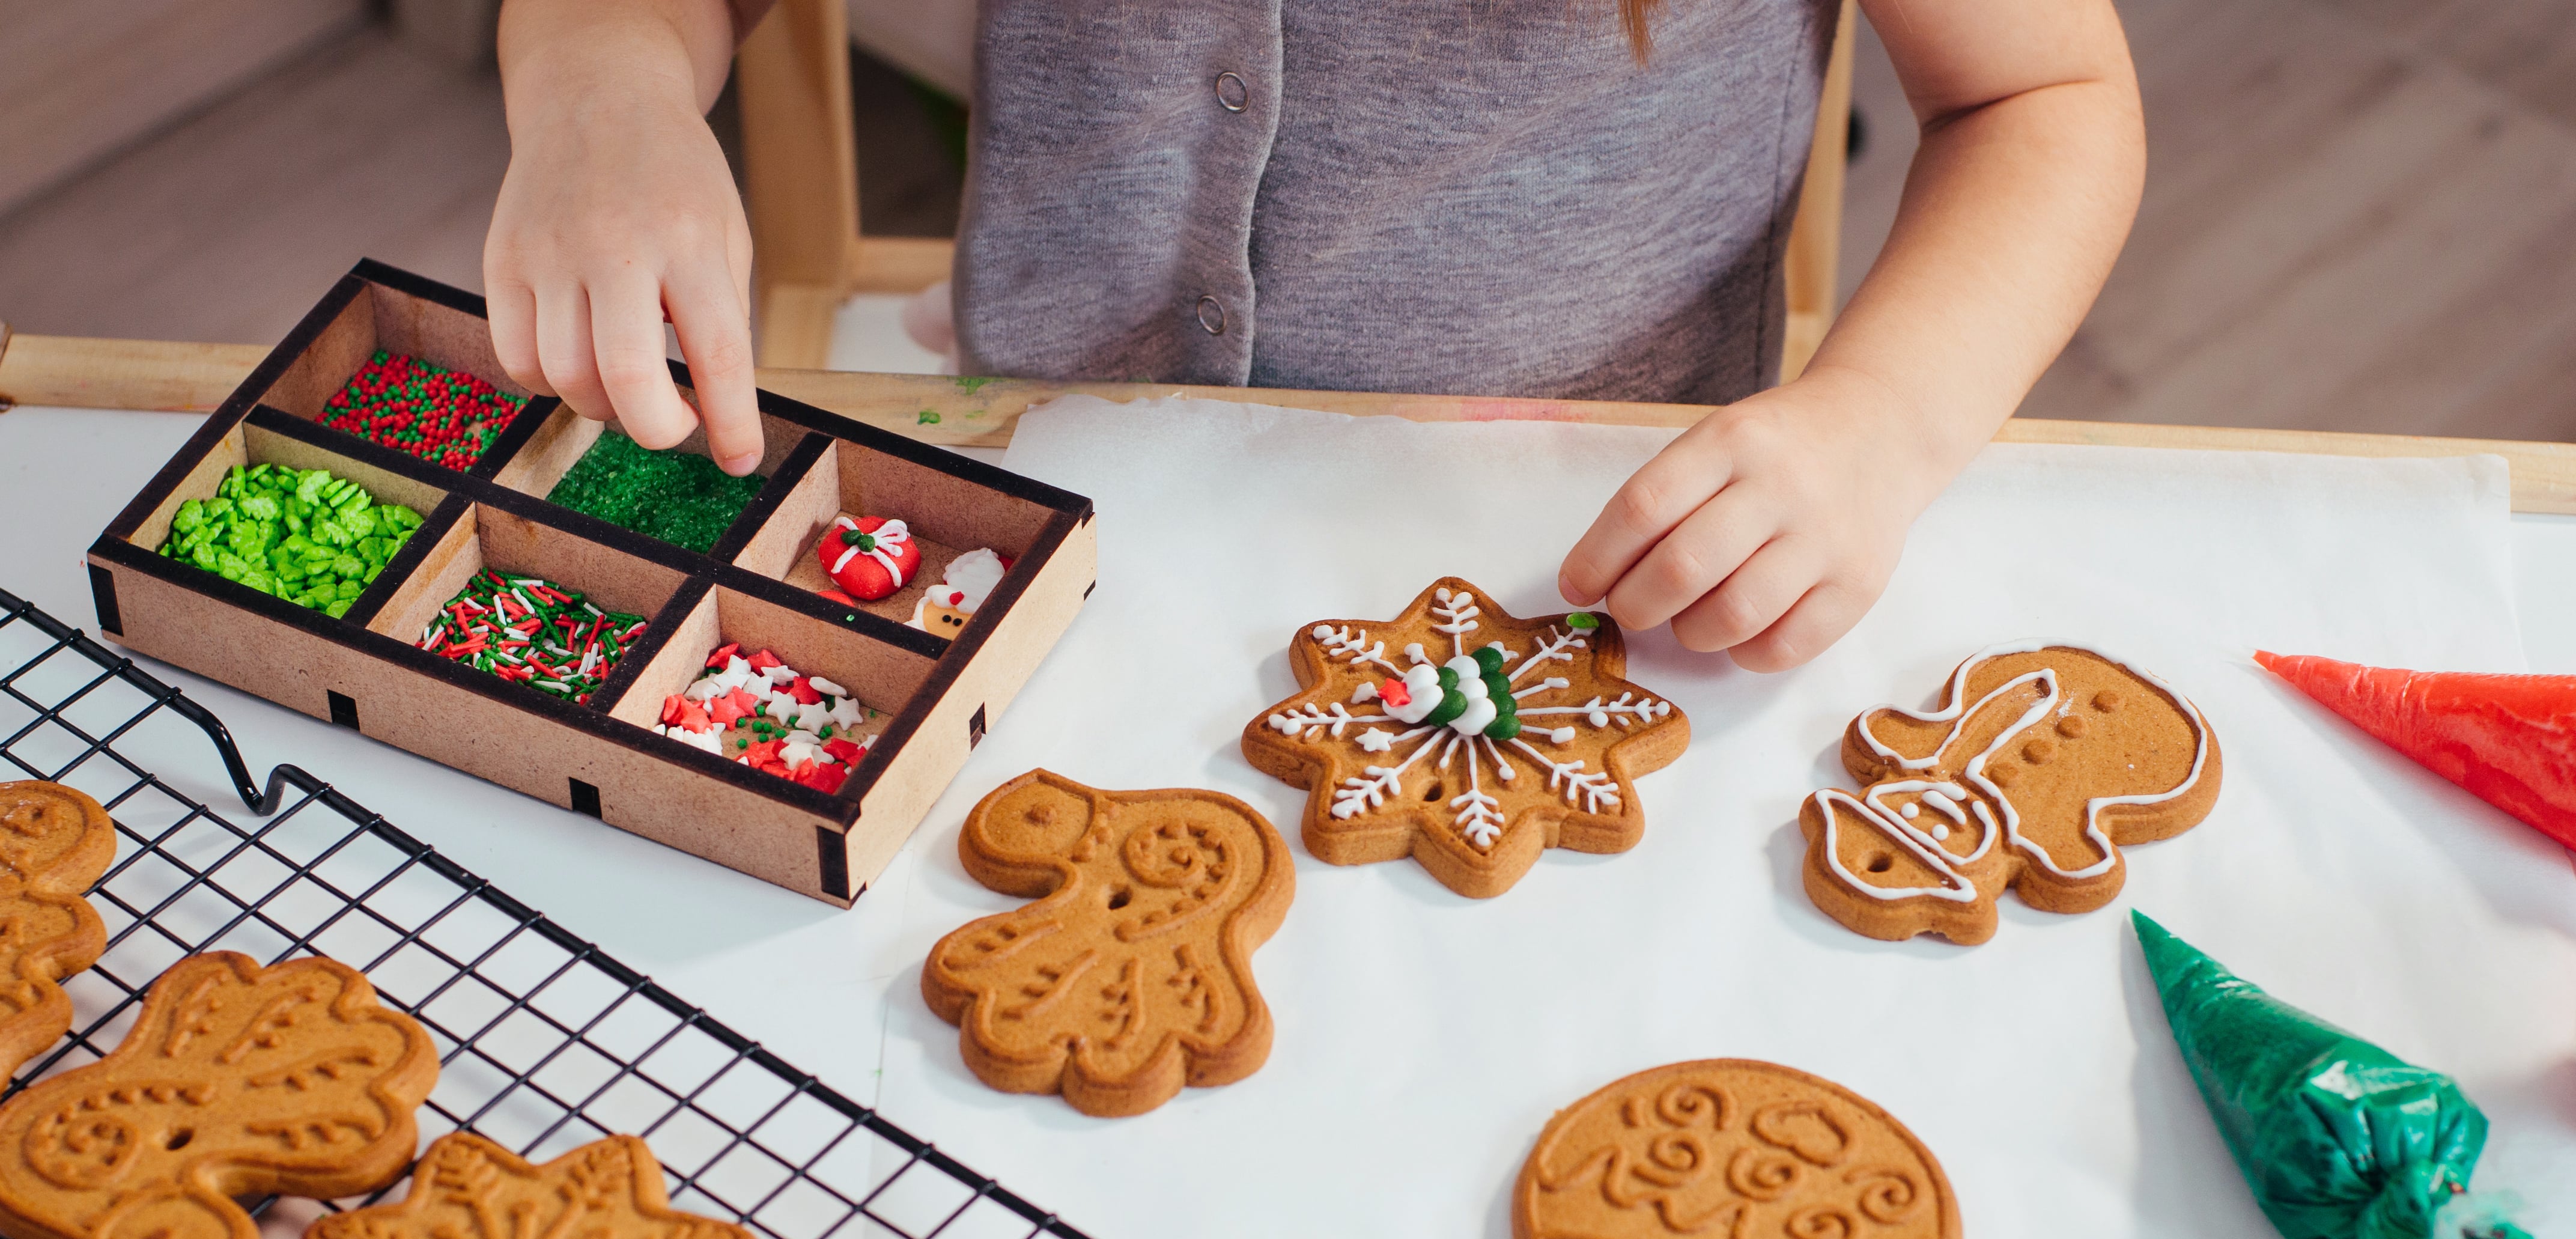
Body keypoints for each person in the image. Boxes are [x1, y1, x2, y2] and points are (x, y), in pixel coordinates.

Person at [487, 0, 2141, 669]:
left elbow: (2046, 98)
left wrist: (1883, 422)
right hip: (1061, 462)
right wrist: (597, 91)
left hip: (1580, 553)